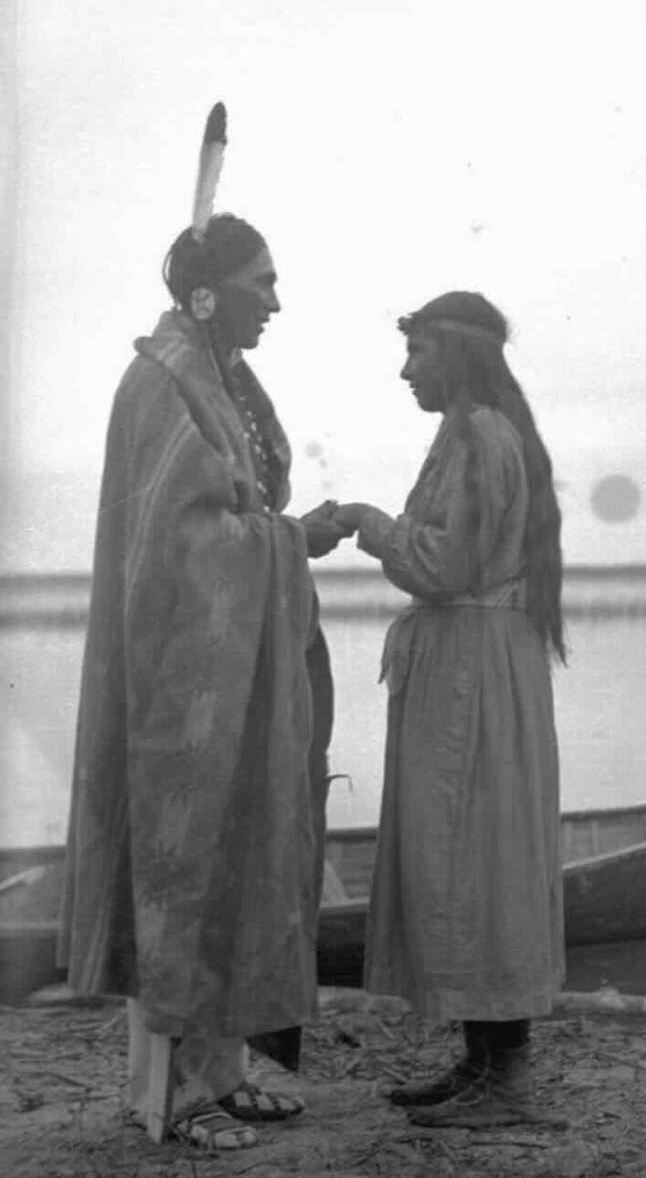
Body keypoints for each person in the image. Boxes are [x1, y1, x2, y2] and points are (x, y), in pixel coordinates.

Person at [57, 108, 344, 1152]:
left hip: (234, 677)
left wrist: (278, 537)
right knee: (185, 870)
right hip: (182, 685)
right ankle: (167, 1098)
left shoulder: (216, 380)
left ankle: (222, 1070)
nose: (278, 300)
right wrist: (287, 538)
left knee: (240, 862)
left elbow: (238, 514)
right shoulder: (165, 383)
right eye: (264, 282)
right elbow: (184, 541)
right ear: (211, 293)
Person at [330, 291, 566, 1128]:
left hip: (472, 675)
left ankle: (507, 1083)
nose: (405, 369)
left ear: (457, 355)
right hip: (471, 670)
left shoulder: (478, 437)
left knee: (478, 860)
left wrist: (365, 521)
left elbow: (444, 565)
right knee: (466, 857)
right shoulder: (476, 433)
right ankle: (481, 1065)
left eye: (419, 351)